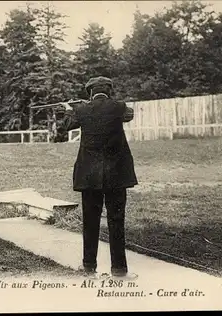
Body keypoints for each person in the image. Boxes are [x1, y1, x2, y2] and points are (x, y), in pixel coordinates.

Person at [62, 76, 138, 279]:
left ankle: (88, 267)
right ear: (109, 91)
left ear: (90, 92)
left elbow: (67, 125)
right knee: (116, 221)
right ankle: (120, 271)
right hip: (117, 175)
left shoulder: (81, 110)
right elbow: (129, 115)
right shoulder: (119, 106)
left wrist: (70, 108)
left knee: (90, 221)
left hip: (89, 176)